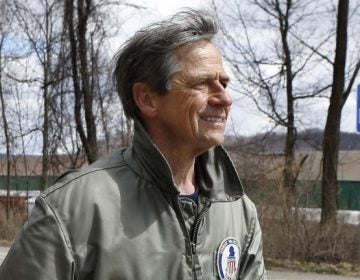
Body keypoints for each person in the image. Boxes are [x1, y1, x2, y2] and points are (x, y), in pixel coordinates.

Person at [0, 9, 266, 280]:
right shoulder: (70, 210)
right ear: (147, 99)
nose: (225, 98)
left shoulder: (238, 210)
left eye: (223, 83)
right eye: (202, 83)